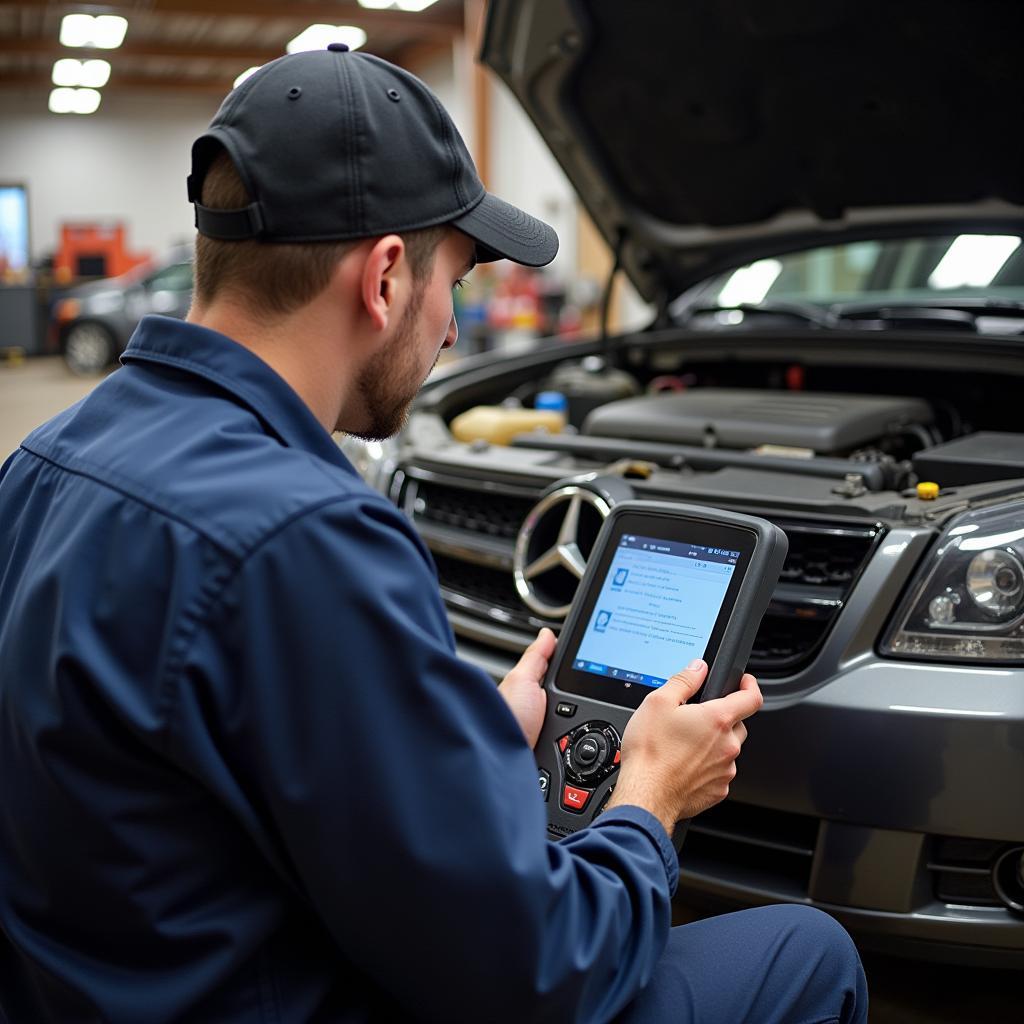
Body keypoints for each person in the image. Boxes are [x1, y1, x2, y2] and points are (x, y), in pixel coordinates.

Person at [0, 47, 867, 1023]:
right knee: (804, 948)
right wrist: (649, 802)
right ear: (382, 279)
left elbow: (191, 785)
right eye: (452, 279)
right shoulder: (305, 538)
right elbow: (540, 972)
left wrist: (460, 745)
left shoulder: (44, 461)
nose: (452, 328)